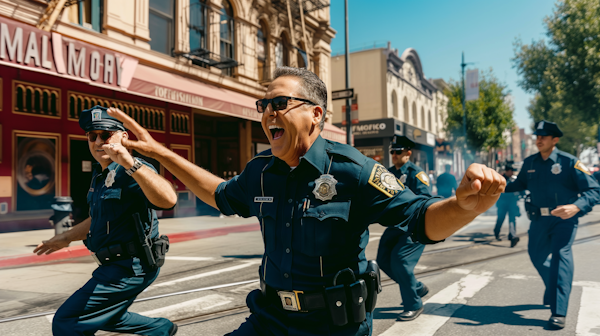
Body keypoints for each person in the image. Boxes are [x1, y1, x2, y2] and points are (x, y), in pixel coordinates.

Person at [106, 67, 505, 336]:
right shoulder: (260, 169)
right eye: (264, 106)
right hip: (269, 318)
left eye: (279, 104)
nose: (267, 113)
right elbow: (221, 195)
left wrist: (463, 207)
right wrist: (161, 153)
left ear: (315, 114)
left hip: (333, 325)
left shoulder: (353, 169)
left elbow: (420, 220)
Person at [33, 106, 179, 336]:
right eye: (93, 135)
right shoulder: (101, 176)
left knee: (66, 321)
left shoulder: (133, 170)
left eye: (106, 134)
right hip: (113, 264)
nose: (98, 140)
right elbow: (97, 218)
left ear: (123, 137)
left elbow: (169, 199)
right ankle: (160, 329)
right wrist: (65, 237)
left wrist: (130, 163)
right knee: (105, 316)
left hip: (131, 267)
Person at [504, 120, 600, 329]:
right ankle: (554, 286)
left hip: (564, 220)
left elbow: (594, 191)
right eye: (537, 136)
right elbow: (518, 185)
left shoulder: (569, 162)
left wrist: (576, 207)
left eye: (544, 137)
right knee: (536, 255)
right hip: (539, 219)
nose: (539, 140)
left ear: (554, 140)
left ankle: (558, 311)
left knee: (560, 257)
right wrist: (497, 186)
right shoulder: (529, 163)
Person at [376, 135, 433, 321]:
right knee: (383, 260)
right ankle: (415, 287)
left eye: (398, 151)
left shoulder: (417, 174)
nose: (393, 154)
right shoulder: (387, 173)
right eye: (392, 151)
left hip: (413, 227)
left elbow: (425, 201)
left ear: (408, 153)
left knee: (401, 262)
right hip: (394, 226)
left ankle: (414, 304)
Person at [494, 164, 521, 247]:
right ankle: (496, 231)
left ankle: (512, 236)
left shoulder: (513, 179)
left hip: (512, 203)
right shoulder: (501, 179)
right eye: (511, 171)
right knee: (501, 218)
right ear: (507, 171)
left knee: (512, 219)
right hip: (502, 203)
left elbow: (519, 188)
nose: (512, 173)